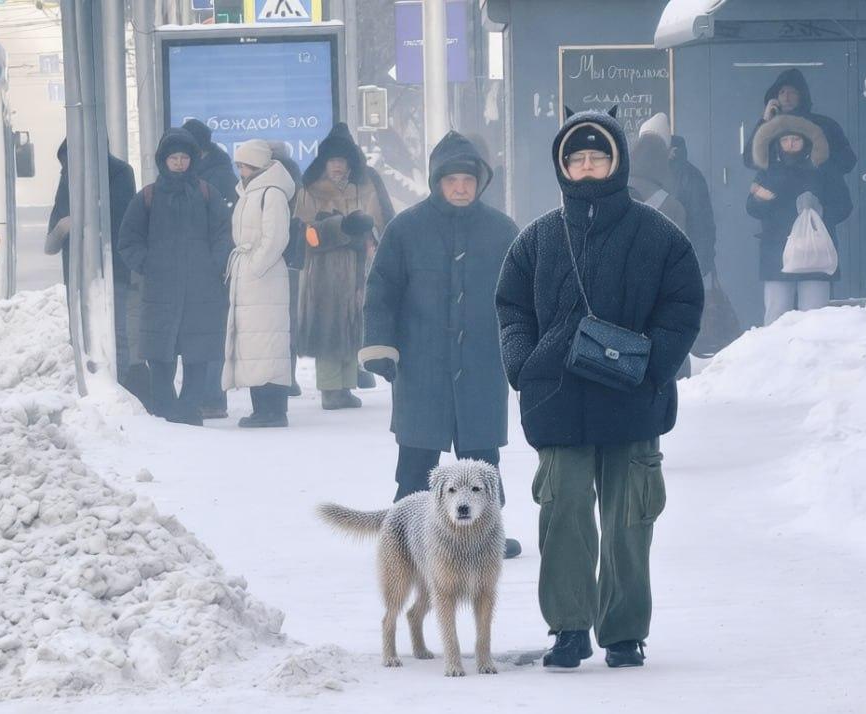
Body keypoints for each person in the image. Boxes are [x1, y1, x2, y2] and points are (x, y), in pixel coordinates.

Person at [495, 109, 704, 669]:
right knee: (562, 514)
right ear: (562, 165)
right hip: (557, 400)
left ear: (618, 161)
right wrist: (524, 365)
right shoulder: (536, 239)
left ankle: (624, 631)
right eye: (576, 158)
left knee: (629, 522)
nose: (587, 167)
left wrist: (651, 366)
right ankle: (567, 628)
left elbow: (683, 307)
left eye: (598, 156)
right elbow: (512, 308)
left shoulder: (661, 237)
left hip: (634, 400)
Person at [360, 130, 523, 559]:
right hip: (421, 362)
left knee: (482, 458)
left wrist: (523, 347)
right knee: (417, 455)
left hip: (482, 363)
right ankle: (403, 535)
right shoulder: (406, 229)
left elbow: (524, 296)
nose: (461, 186)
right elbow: (381, 290)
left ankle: (486, 536)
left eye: (468, 179)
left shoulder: (502, 231)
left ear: (481, 181)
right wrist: (380, 343)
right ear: (436, 181)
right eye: (451, 179)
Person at [118, 129, 233, 426]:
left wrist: (214, 264)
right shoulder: (148, 196)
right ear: (163, 161)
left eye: (184, 157)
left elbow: (223, 233)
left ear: (192, 160)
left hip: (201, 290)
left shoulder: (208, 194)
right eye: (174, 158)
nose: (179, 163)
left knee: (198, 356)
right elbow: (128, 239)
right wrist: (147, 265)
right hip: (160, 291)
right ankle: (166, 410)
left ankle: (190, 409)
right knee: (160, 357)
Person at [294, 123, 391, 410]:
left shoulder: (363, 187)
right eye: (332, 160)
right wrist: (339, 229)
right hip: (324, 269)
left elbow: (380, 222)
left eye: (342, 160)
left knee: (352, 323)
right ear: (324, 163)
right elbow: (305, 233)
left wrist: (368, 237)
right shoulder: (311, 190)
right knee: (328, 325)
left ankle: (346, 386)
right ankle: (329, 388)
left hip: (358, 267)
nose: (337, 166)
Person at [45, 140, 148, 407]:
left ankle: (119, 391)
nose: (69, 167)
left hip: (114, 268)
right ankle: (92, 390)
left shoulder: (119, 173)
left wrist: (77, 221)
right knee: (83, 333)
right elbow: (52, 237)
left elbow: (119, 218)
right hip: (79, 273)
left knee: (116, 332)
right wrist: (61, 229)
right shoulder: (68, 177)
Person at [221, 140, 296, 428]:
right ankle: (262, 408)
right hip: (251, 276)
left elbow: (276, 237)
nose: (240, 170)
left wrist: (255, 265)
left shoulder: (271, 193)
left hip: (261, 277)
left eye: (243, 165)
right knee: (255, 345)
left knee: (268, 344)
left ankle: (273, 410)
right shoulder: (251, 191)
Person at [745, 115, 848, 325]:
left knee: (815, 318)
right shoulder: (767, 171)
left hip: (815, 254)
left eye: (796, 140)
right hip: (777, 254)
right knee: (776, 316)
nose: (790, 145)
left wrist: (821, 210)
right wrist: (760, 200)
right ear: (778, 143)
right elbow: (752, 209)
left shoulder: (824, 170)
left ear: (807, 142)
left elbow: (844, 205)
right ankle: (775, 357)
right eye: (785, 140)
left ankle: (815, 357)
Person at [742, 69, 855, 231]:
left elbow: (848, 161)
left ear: (802, 95)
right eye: (782, 92)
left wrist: (818, 166)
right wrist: (764, 122)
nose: (786, 97)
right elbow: (751, 160)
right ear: (775, 97)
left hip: (817, 230)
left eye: (792, 92)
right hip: (777, 232)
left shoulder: (825, 125)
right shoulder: (769, 130)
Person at [182, 119, 239, 419]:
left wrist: (216, 262)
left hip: (213, 267)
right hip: (200, 264)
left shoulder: (215, 178)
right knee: (205, 334)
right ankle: (208, 397)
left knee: (212, 333)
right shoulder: (214, 171)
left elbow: (220, 226)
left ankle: (213, 398)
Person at [267, 140, 304, 398]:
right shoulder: (297, 182)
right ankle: (290, 376)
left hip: (270, 261)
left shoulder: (266, 183)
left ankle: (277, 377)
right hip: (294, 260)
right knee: (288, 320)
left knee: (271, 322)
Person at [668, 134, 717, 279]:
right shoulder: (693, 175)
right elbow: (704, 222)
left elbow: (701, 221)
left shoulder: (687, 177)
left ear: (673, 150)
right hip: (688, 254)